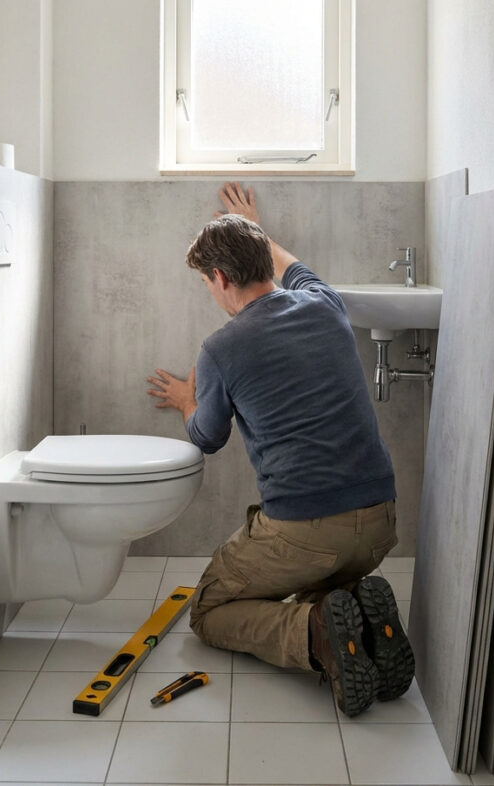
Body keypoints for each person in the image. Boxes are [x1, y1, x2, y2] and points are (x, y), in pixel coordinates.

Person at [146, 182, 414, 717]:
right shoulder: (325, 303)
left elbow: (207, 437)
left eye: (207, 282)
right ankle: (355, 607)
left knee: (209, 610)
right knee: (323, 570)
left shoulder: (222, 348)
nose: (211, 292)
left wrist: (185, 400)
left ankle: (314, 631)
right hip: (381, 523)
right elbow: (288, 265)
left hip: (307, 535)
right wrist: (254, 228)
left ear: (220, 278)